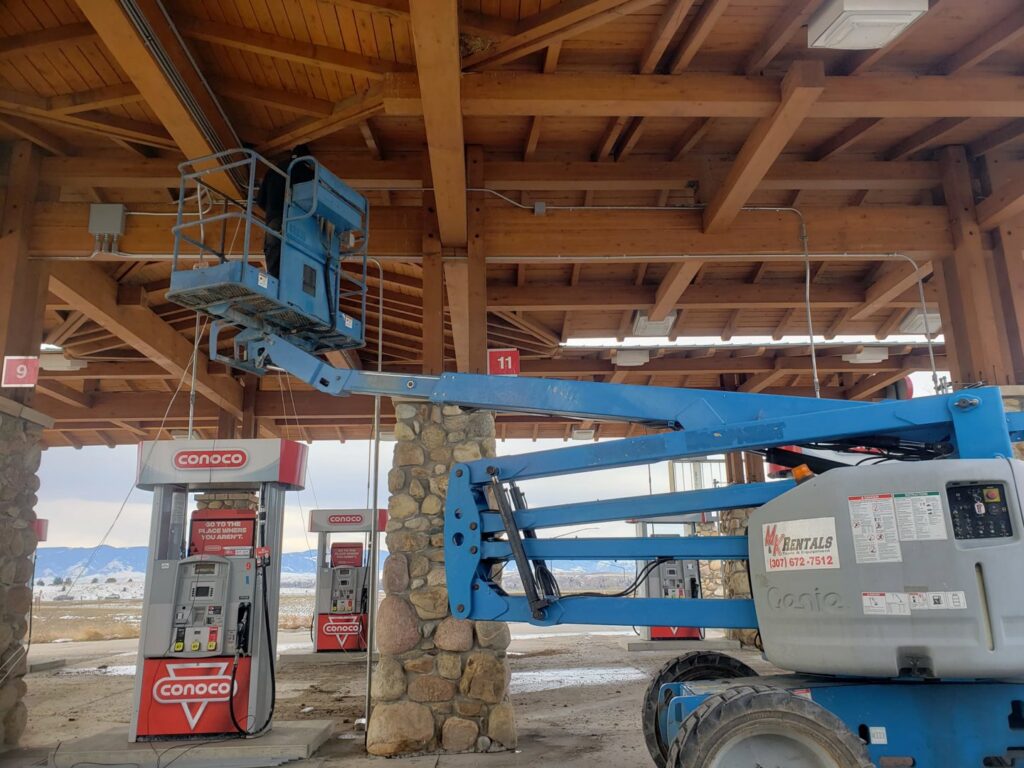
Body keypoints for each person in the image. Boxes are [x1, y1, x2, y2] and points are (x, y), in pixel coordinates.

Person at [256, 144, 314, 280]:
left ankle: (273, 283)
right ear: (307, 159)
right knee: (296, 261)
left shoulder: (273, 170)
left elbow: (260, 201)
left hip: (273, 220)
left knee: (273, 254)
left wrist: (272, 210)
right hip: (294, 221)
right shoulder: (305, 171)